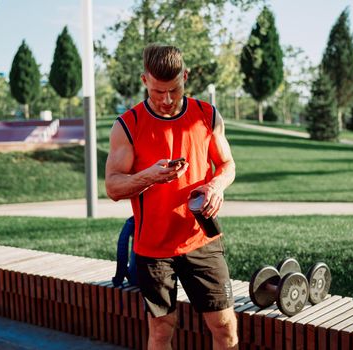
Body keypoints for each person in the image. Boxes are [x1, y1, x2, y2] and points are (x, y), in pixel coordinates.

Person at [105, 44, 238, 350]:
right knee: (162, 330)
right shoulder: (128, 125)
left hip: (201, 240)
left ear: (185, 77)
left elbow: (228, 165)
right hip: (153, 248)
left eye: (174, 90)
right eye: (156, 92)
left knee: (225, 328)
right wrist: (149, 176)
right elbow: (112, 187)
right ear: (144, 81)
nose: (166, 100)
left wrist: (216, 186)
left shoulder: (207, 115)